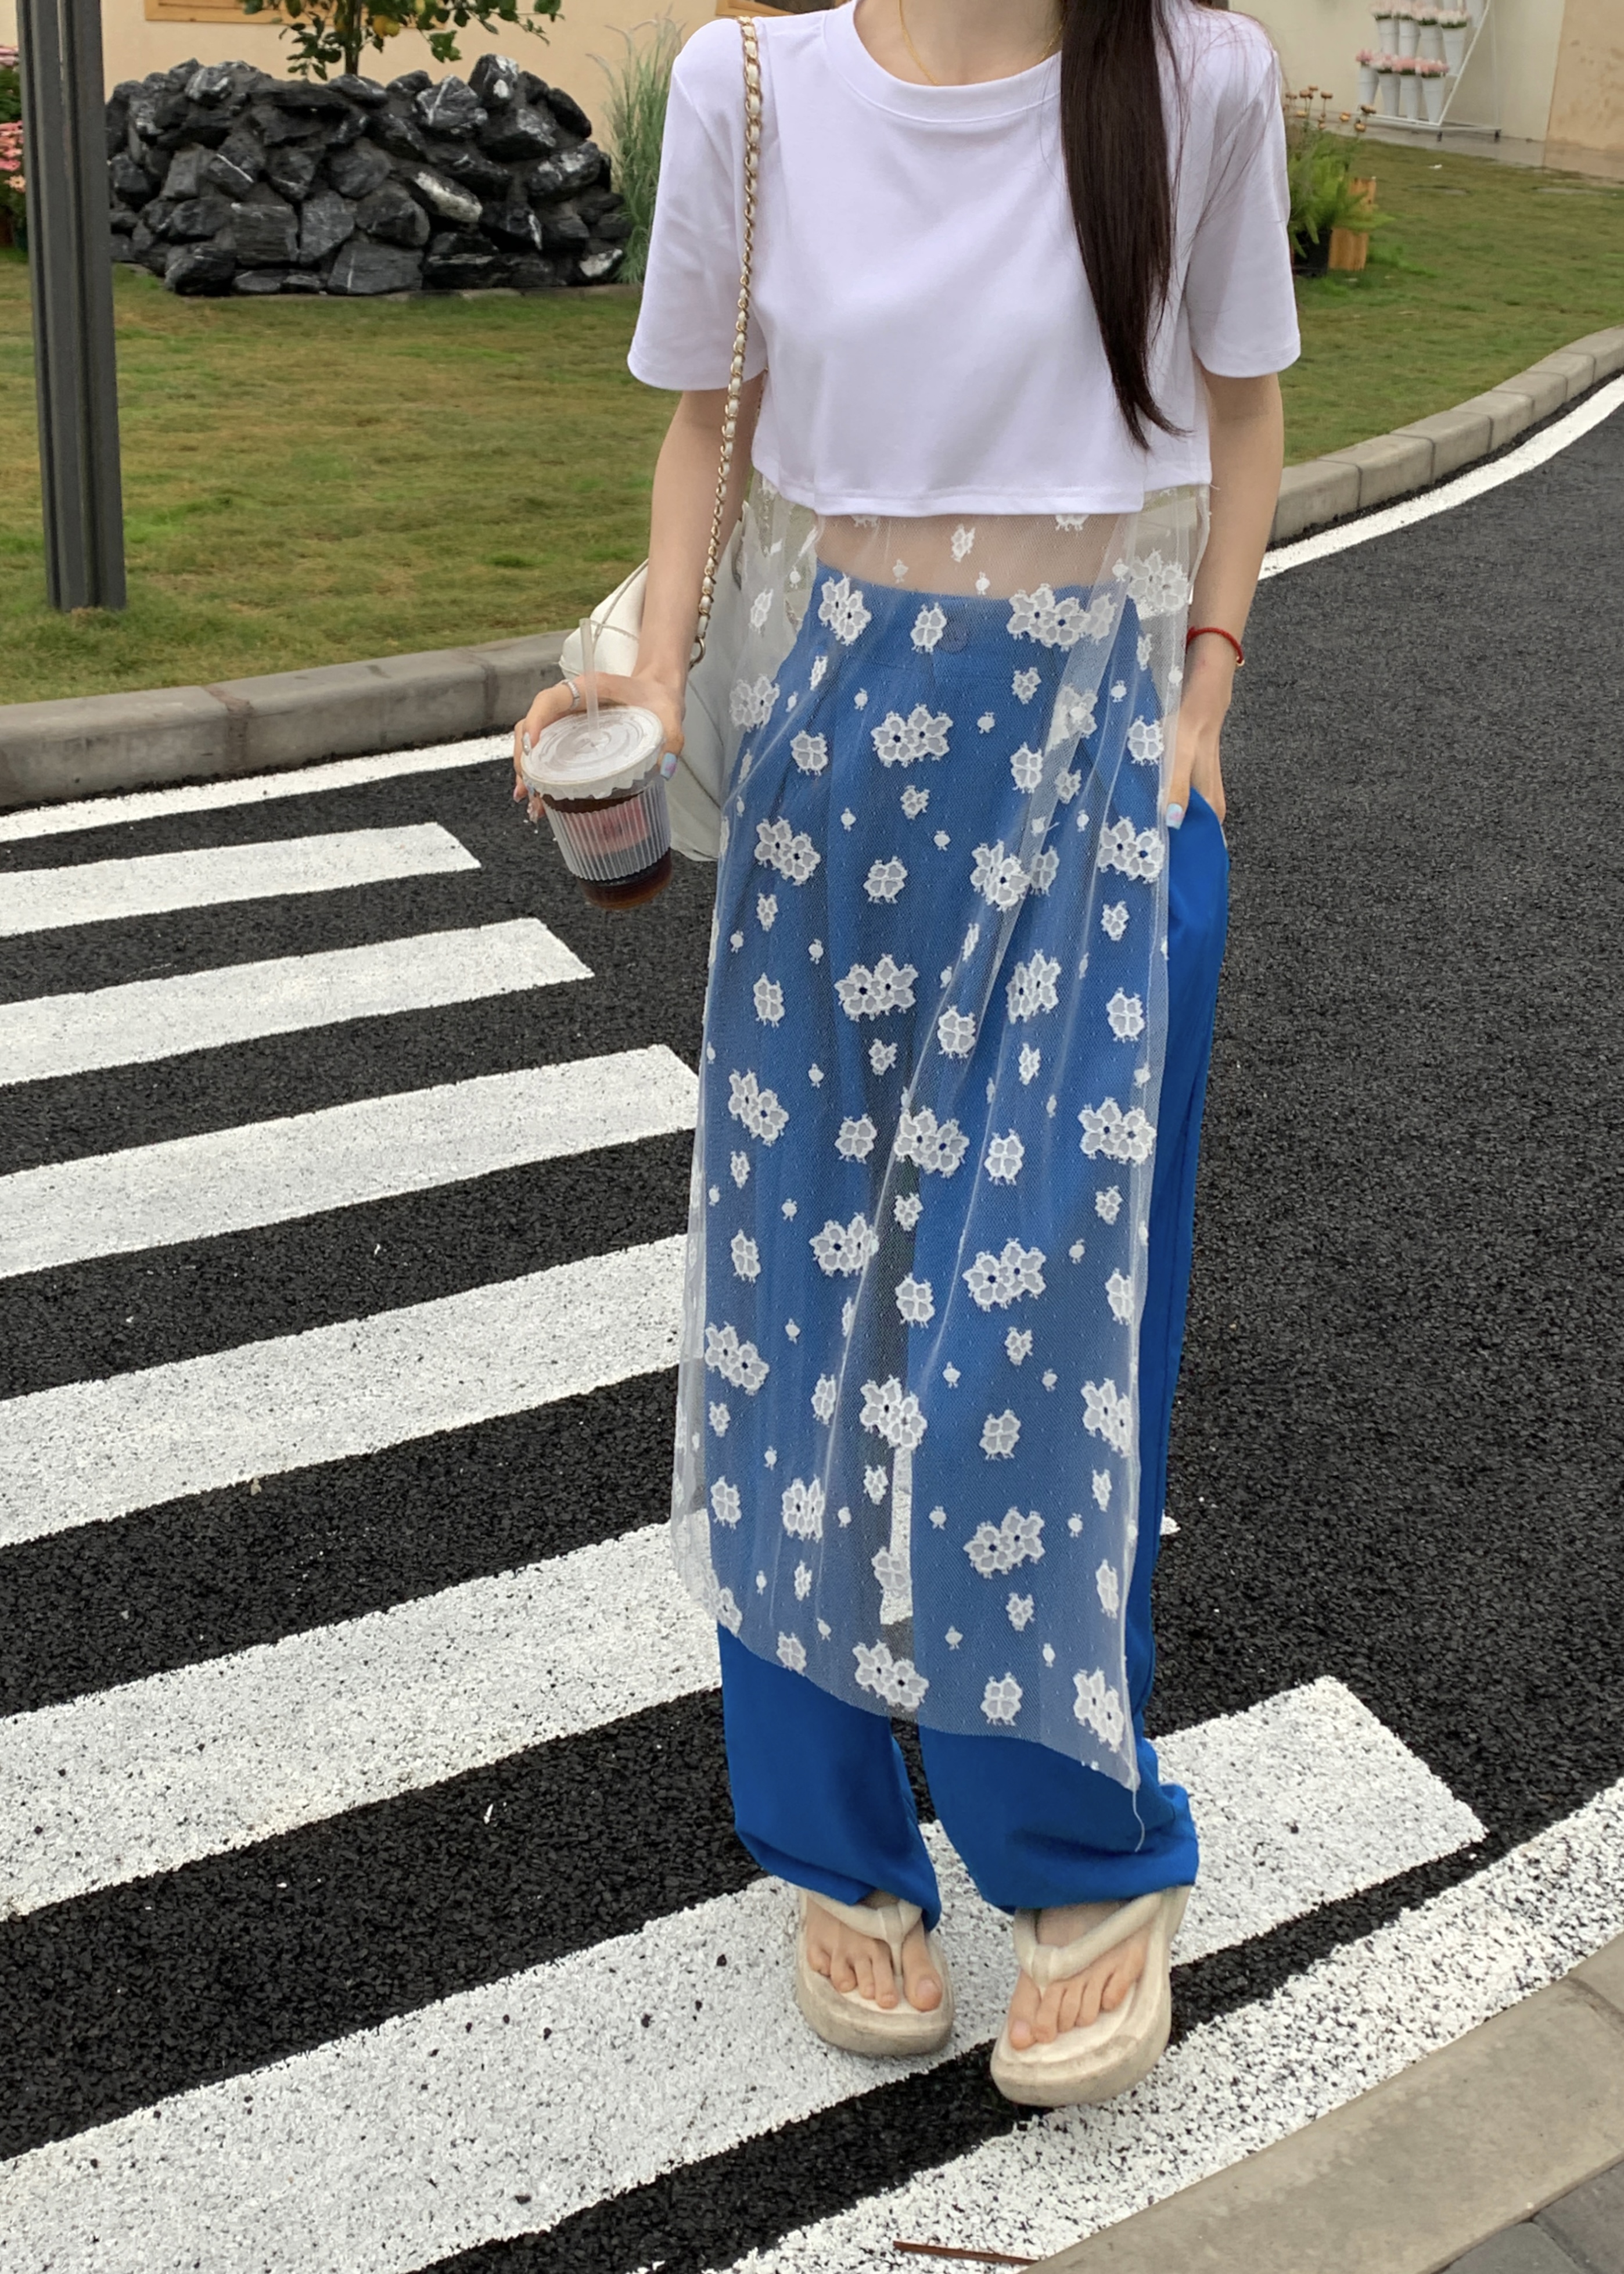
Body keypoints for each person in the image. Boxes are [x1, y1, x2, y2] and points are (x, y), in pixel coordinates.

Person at [516, 0, 1296, 2106]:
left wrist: (1206, 687)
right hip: (837, 769)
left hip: (1101, 765)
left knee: (1035, 1338)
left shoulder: (1200, 81)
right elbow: (706, 430)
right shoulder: (752, 90)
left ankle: (1079, 1858)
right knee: (794, 1320)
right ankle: (831, 1842)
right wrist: (650, 677)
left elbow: (1242, 418)